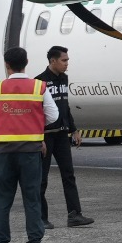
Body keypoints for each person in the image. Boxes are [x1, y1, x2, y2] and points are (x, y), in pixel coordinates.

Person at [0, 47, 56, 243]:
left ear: (7, 65)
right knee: (31, 198)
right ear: (27, 62)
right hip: (30, 152)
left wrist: (4, 124)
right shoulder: (38, 87)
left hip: (4, 152)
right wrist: (32, 123)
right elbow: (52, 115)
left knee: (2, 200)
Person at [40, 45, 95, 227]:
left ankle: (74, 214)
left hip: (62, 134)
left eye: (67, 60)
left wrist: (74, 129)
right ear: (53, 61)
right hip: (46, 136)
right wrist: (38, 138)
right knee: (42, 178)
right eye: (64, 60)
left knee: (69, 175)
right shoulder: (39, 82)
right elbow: (35, 112)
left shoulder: (64, 79)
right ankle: (41, 218)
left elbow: (65, 106)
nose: (67, 64)